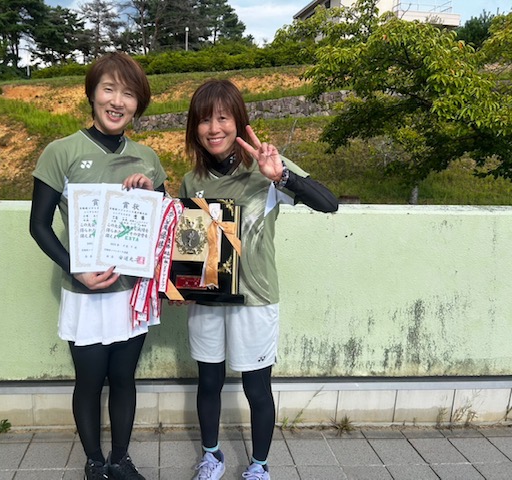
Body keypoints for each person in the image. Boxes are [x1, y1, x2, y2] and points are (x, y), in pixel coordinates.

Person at [180, 79, 338, 480]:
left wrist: (282, 177)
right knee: (209, 381)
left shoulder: (266, 168)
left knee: (256, 386)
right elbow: (189, 244)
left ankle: (259, 466)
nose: (213, 128)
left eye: (222, 118)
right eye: (204, 120)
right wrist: (180, 283)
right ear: (194, 128)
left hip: (256, 298)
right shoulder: (192, 181)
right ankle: (212, 456)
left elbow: (329, 204)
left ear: (238, 121)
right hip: (208, 299)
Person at [29, 52, 167, 480]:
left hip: (132, 293)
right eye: (109, 89)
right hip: (85, 293)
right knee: (89, 382)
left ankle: (120, 460)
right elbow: (38, 226)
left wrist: (150, 194)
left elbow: (163, 227)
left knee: (124, 379)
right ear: (92, 94)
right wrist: (76, 270)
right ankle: (94, 461)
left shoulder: (147, 157)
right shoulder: (61, 152)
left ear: (138, 105)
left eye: (128, 94)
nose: (117, 101)